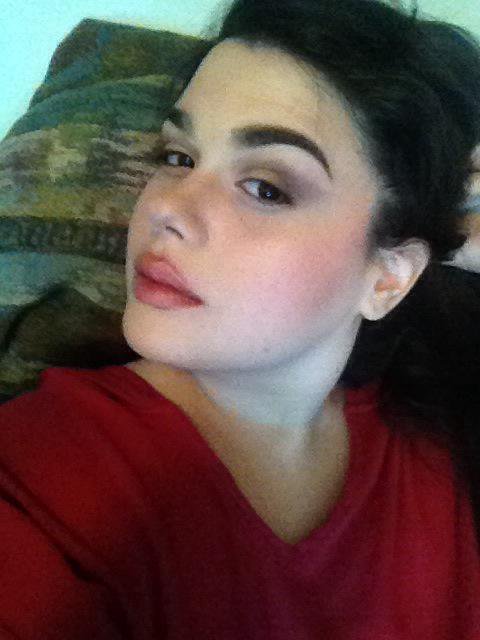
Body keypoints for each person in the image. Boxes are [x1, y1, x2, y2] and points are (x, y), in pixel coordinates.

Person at [1, 0, 480, 637]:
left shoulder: (436, 439)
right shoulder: (45, 481)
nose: (167, 209)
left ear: (388, 277)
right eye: (178, 157)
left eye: (266, 188)